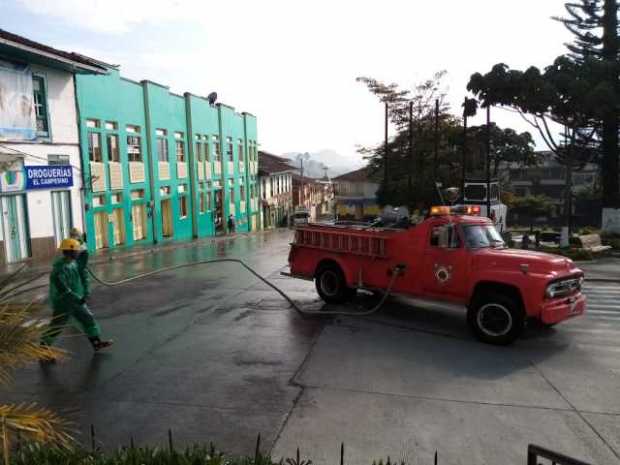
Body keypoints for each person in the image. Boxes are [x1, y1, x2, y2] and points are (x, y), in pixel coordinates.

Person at [41, 238, 113, 355]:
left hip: (76, 301)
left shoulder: (73, 263)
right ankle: (43, 349)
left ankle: (96, 343)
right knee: (57, 325)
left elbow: (84, 257)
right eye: (76, 250)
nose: (78, 252)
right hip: (64, 303)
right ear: (69, 251)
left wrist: (84, 293)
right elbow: (63, 289)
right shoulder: (59, 269)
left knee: (88, 318)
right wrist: (78, 298)